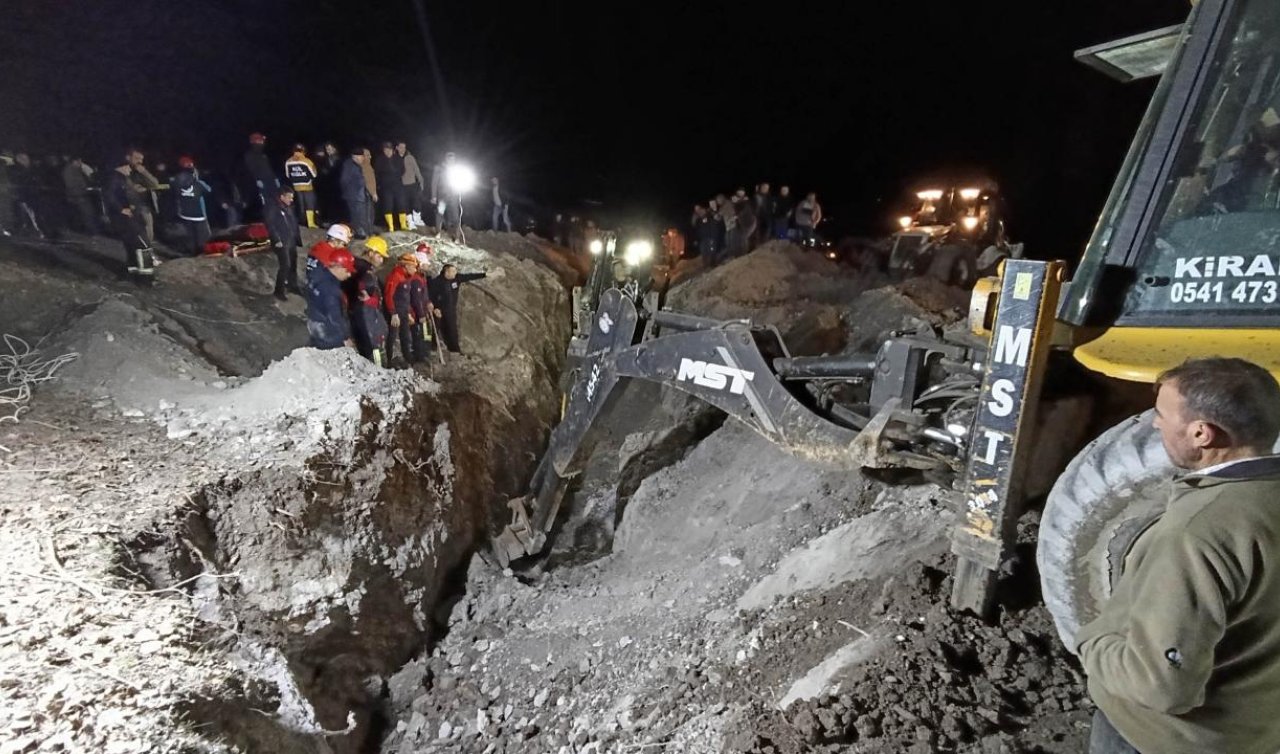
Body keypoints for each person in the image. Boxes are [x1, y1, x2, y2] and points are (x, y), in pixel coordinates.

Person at [1076, 357, 1280, 754]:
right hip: (1253, 731)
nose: (1156, 424)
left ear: (1202, 434)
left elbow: (1162, 687)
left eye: (1163, 415)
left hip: (1161, 740)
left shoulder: (1197, 533)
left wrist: (1093, 644)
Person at [103, 155, 153, 276]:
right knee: (144, 244)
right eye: (126, 167)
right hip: (128, 218)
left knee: (131, 244)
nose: (129, 169)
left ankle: (133, 271)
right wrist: (121, 209)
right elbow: (109, 195)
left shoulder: (125, 177)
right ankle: (147, 277)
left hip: (130, 217)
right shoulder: (115, 178)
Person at [347, 236, 391, 366]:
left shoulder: (361, 267)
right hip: (364, 315)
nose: (381, 260)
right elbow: (361, 297)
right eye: (379, 256)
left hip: (362, 313)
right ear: (371, 253)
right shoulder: (363, 271)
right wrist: (371, 301)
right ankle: (379, 373)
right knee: (374, 348)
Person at [428, 263, 486, 354]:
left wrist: (484, 274)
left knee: (452, 329)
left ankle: (455, 349)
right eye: (453, 271)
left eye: (455, 271)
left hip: (451, 309)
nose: (455, 273)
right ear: (447, 272)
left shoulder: (456, 278)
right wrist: (435, 307)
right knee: (437, 327)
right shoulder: (437, 282)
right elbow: (430, 296)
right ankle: (433, 346)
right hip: (439, 309)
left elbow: (469, 276)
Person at [306, 246, 356, 350]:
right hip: (327, 330)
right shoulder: (331, 289)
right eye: (347, 270)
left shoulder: (318, 274)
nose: (349, 275)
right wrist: (345, 337)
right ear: (338, 267)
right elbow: (335, 316)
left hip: (313, 322)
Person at [384, 253, 425, 365]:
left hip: (403, 312)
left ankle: (408, 359)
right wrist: (393, 313)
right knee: (392, 337)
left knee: (405, 336)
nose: (415, 269)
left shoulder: (407, 277)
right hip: (395, 313)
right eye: (414, 267)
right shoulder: (396, 276)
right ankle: (388, 361)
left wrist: (409, 313)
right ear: (406, 266)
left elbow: (406, 298)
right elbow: (389, 295)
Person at [170, 156, 213, 255]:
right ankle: (203, 252)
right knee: (203, 235)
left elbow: (175, 194)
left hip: (185, 213)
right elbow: (208, 190)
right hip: (199, 214)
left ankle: (192, 253)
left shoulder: (175, 181)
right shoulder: (198, 183)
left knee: (191, 235)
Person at [265, 187, 303, 300]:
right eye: (289, 197)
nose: (291, 200)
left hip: (291, 240)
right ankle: (279, 290)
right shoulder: (272, 208)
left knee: (293, 264)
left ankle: (293, 285)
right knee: (285, 265)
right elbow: (270, 225)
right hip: (282, 242)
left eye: (292, 197)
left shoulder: (289, 208)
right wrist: (276, 240)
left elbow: (293, 223)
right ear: (282, 197)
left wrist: (297, 238)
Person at [240, 132, 279, 222]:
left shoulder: (263, 155)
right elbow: (251, 169)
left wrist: (275, 178)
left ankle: (277, 217)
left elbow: (268, 168)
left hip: (271, 181)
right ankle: (269, 219)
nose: (263, 142)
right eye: (261, 140)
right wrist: (257, 179)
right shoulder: (250, 155)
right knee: (266, 201)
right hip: (262, 182)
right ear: (256, 141)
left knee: (275, 199)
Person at [125, 149, 161, 244]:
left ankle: (148, 247)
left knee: (148, 227)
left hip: (144, 205)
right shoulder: (124, 171)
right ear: (128, 158)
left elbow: (155, 183)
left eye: (141, 159)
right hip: (130, 205)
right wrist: (133, 188)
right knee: (134, 231)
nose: (139, 162)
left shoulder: (141, 171)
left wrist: (144, 172)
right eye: (136, 158)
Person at [307, 223, 353, 287]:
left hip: (312, 283)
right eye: (344, 244)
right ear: (335, 241)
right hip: (323, 287)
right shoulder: (330, 255)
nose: (344, 247)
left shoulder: (318, 247)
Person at [285, 144, 320, 228]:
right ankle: (311, 223)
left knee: (300, 205)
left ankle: (302, 222)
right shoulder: (307, 161)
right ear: (304, 151)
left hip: (296, 187)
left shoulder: (288, 161)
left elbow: (287, 175)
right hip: (307, 186)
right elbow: (314, 174)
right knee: (309, 204)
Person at [60, 157, 98, 234]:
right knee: (88, 214)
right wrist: (81, 189)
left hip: (80, 195)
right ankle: (92, 231)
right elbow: (70, 184)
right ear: (74, 161)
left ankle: (91, 230)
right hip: (78, 196)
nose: (80, 163)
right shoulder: (69, 171)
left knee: (87, 214)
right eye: (79, 161)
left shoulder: (75, 169)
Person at [339, 151, 370, 239]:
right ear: (355, 157)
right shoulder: (349, 166)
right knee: (357, 214)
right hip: (354, 195)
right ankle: (360, 233)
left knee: (360, 214)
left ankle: (362, 232)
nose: (363, 158)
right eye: (361, 157)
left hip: (359, 195)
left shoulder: (358, 165)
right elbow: (344, 180)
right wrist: (350, 190)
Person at [374, 142, 404, 232]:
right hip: (386, 186)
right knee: (388, 206)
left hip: (398, 185)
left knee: (401, 204)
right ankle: (390, 226)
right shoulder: (380, 160)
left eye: (389, 149)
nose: (387, 151)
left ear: (392, 150)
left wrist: (396, 176)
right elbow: (377, 173)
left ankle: (403, 225)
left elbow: (402, 170)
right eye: (385, 149)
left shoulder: (398, 159)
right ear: (383, 150)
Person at [398, 142, 425, 228]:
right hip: (401, 185)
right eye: (401, 147)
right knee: (405, 204)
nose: (403, 149)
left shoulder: (410, 157)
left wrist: (421, 180)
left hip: (412, 184)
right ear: (397, 147)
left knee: (416, 202)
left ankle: (417, 219)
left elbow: (416, 169)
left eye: (404, 147)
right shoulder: (395, 158)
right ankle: (410, 222)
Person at [360, 148, 378, 234]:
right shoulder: (365, 166)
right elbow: (369, 181)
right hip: (366, 193)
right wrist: (373, 193)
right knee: (368, 213)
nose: (370, 157)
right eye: (368, 155)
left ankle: (368, 230)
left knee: (368, 213)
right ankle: (369, 231)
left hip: (364, 193)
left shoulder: (367, 165)